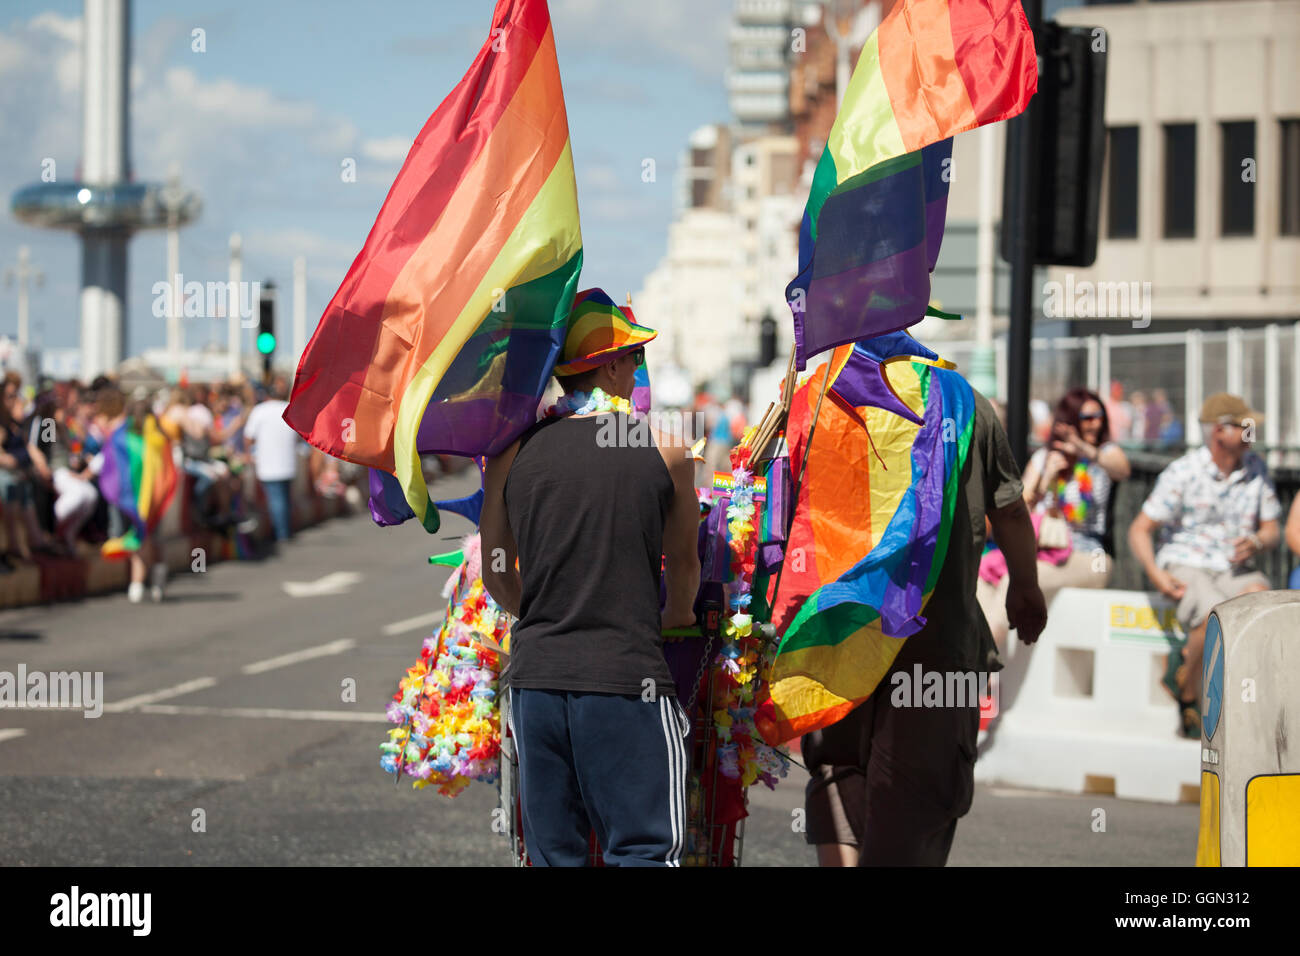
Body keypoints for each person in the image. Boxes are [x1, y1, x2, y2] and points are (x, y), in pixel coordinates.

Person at [480, 289, 700, 867]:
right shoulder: (663, 447)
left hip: (537, 684)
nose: (637, 371)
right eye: (634, 359)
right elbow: (683, 564)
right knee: (646, 851)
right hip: (627, 680)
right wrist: (676, 614)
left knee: (556, 857)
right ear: (607, 368)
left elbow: (496, 569)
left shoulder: (512, 453)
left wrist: (538, 609)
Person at [803, 382, 1048, 867]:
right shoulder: (962, 401)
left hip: (837, 635)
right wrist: (1025, 585)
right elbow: (1012, 509)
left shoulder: (821, 395)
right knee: (919, 797)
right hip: (937, 645)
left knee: (837, 771)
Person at [1128, 393, 1280, 738]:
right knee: (1214, 610)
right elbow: (1139, 528)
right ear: (1219, 432)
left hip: (1233, 568)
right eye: (1245, 427)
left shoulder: (1257, 469)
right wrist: (1156, 573)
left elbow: (1272, 530)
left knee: (1260, 600)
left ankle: (1193, 677)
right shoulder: (1183, 472)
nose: (1251, 433)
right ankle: (1190, 693)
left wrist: (1256, 541)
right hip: (1186, 561)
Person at [978, 387, 1130, 646]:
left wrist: (1083, 448)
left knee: (1014, 578)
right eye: (1088, 417)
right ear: (1069, 420)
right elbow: (1018, 512)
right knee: (981, 576)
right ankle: (989, 664)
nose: (1096, 422)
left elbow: (1122, 470)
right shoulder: (1043, 458)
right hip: (1042, 549)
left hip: (1090, 556)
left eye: (1099, 416)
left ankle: (982, 662)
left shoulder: (1104, 455)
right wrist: (1046, 477)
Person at [243, 381, 301, 543]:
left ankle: (281, 533)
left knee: (276, 499)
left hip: (268, 463)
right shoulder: (290, 408)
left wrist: (248, 454)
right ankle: (285, 530)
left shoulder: (259, 411)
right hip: (288, 461)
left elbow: (248, 436)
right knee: (284, 498)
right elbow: (298, 436)